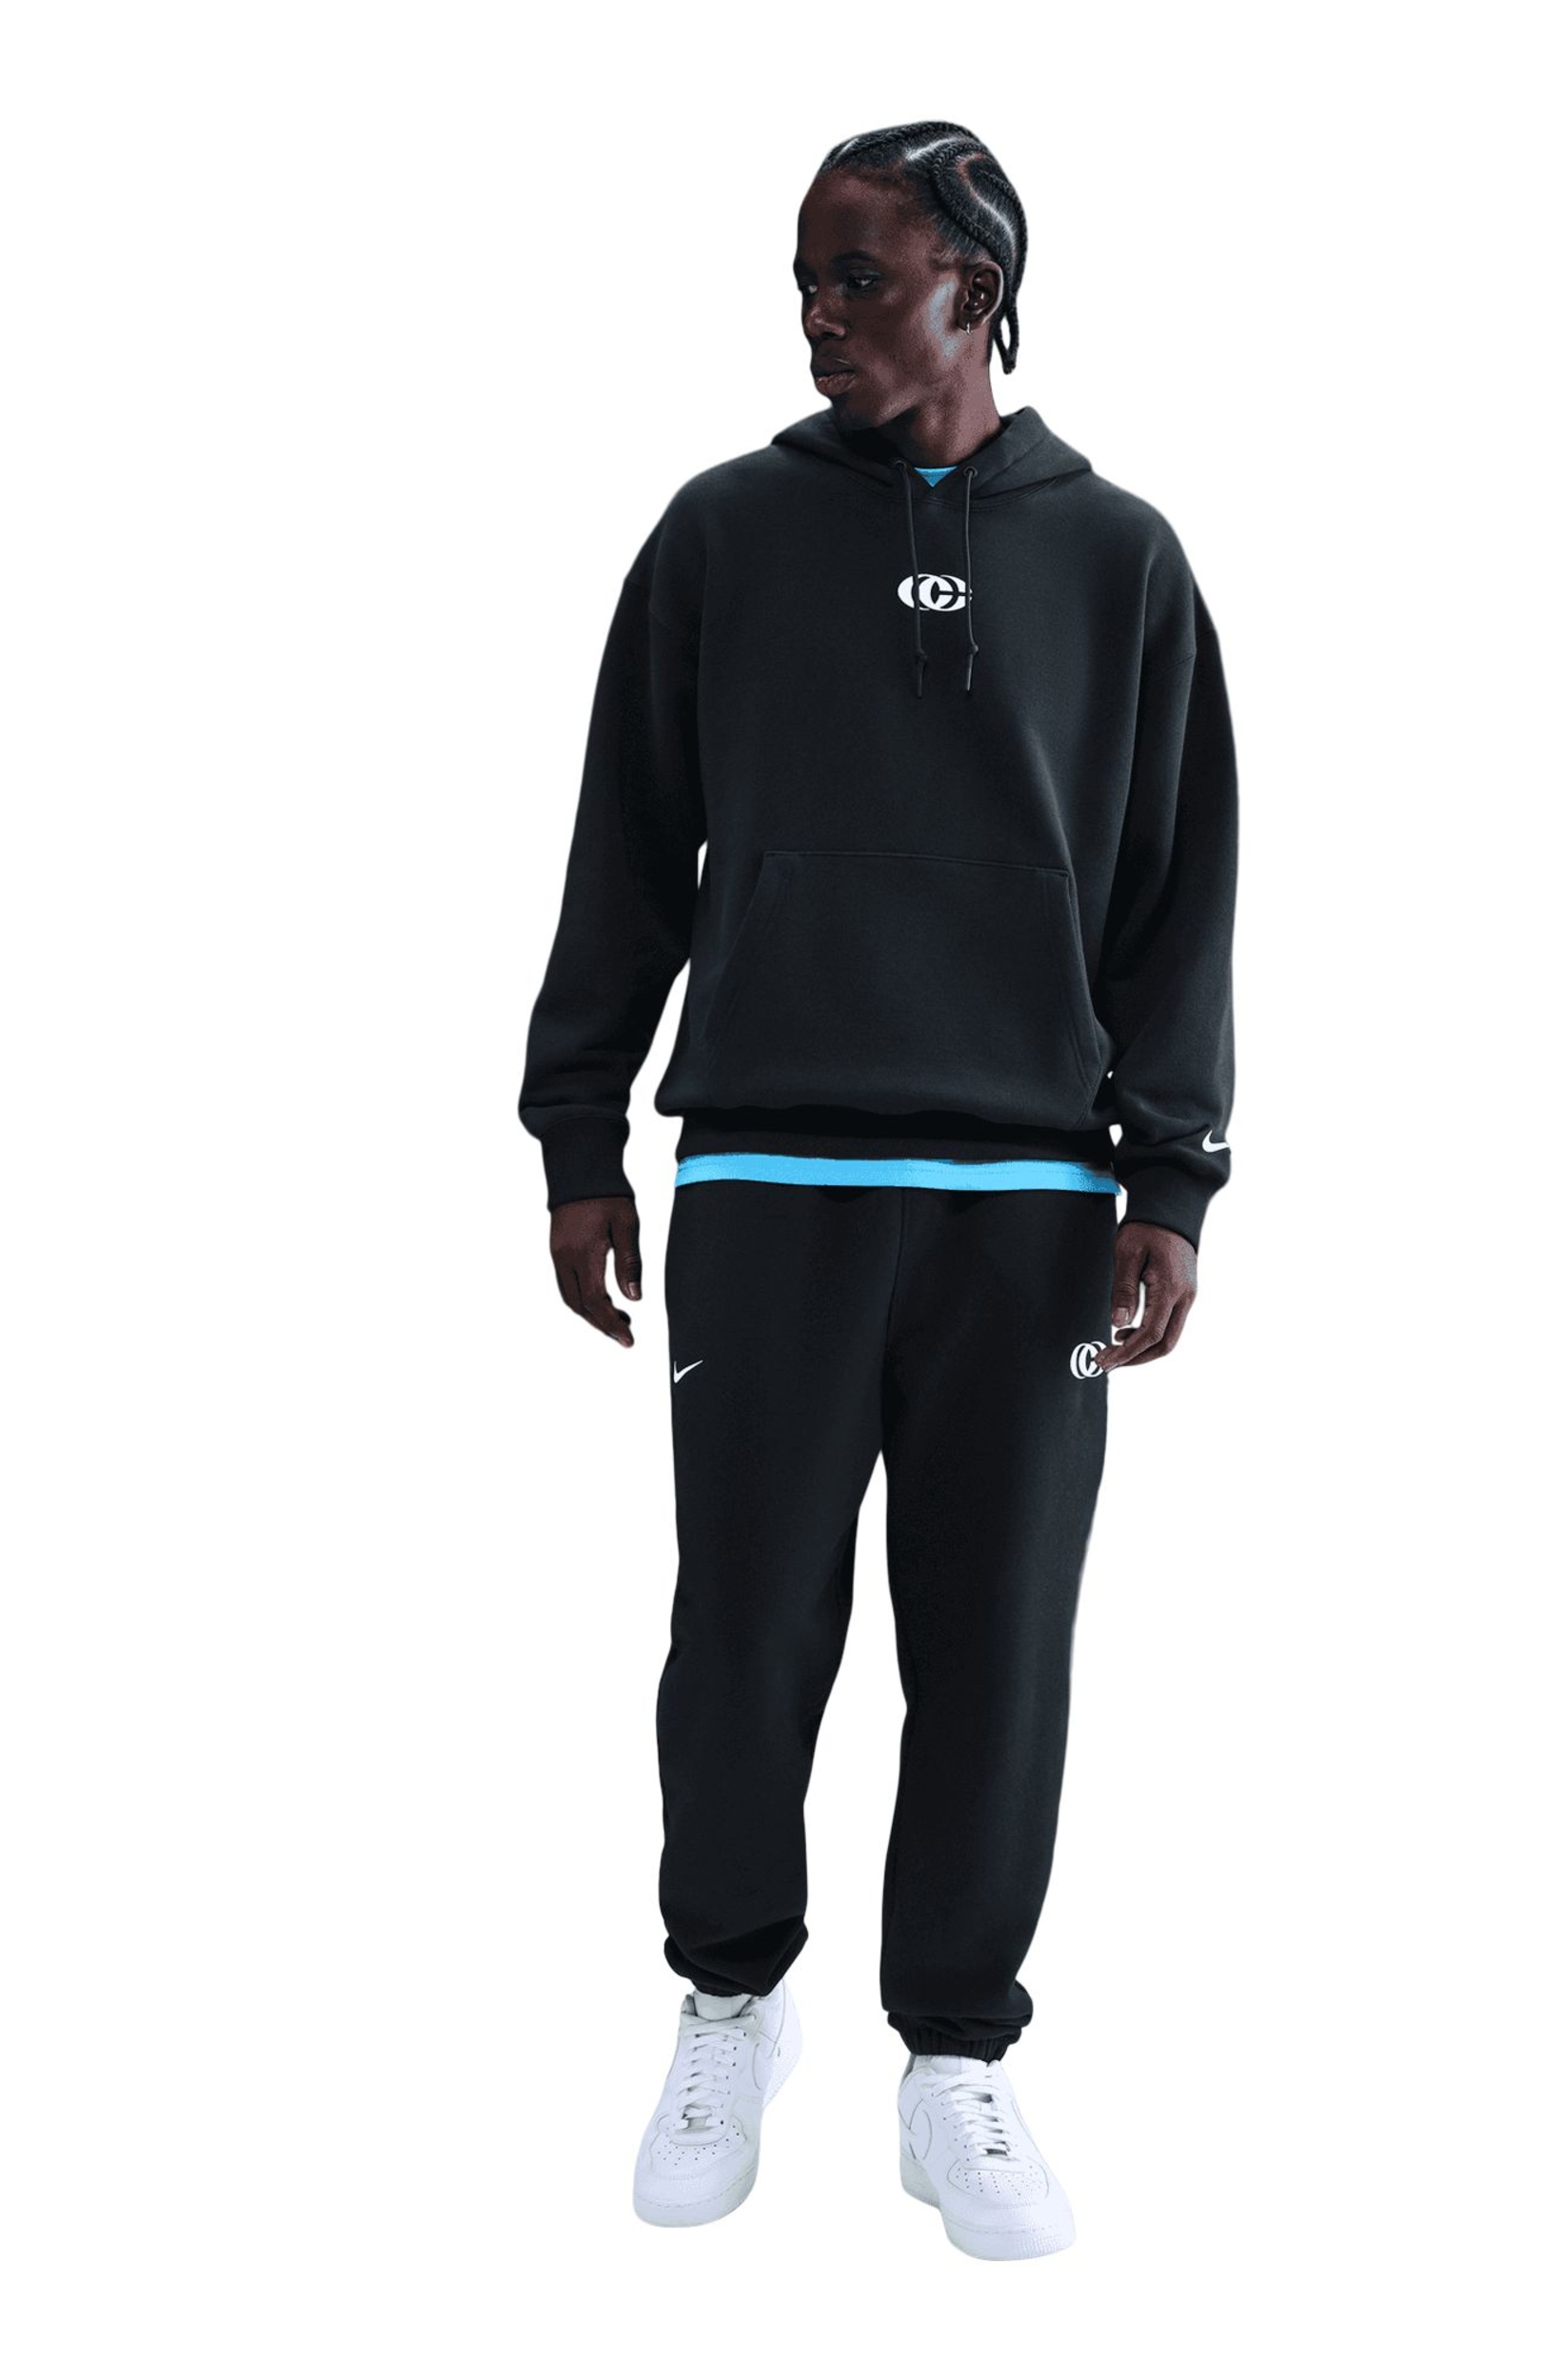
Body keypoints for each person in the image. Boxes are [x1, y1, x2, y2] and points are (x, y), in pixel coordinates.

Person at [519, 122, 1236, 2260]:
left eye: (862, 277)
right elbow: (627, 840)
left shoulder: (1117, 561)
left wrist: (1172, 1171)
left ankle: (956, 2057)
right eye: (805, 279)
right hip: (771, 1170)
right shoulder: (725, 535)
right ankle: (730, 1999)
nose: (818, 316)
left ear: (976, 287)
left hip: (1029, 1198)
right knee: (744, 1630)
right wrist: (576, 1130)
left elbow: (1175, 893)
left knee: (995, 1643)